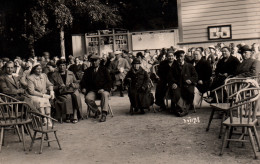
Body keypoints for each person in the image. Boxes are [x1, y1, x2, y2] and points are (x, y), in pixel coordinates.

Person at [81, 55, 112, 122]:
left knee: (105, 94)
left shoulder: (104, 69)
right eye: (93, 61)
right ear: (91, 62)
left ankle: (104, 114)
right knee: (88, 98)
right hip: (93, 90)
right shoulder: (88, 71)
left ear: (99, 61)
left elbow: (109, 82)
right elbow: (83, 81)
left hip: (103, 89)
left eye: (96, 61)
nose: (94, 62)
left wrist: (104, 89)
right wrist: (83, 88)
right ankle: (96, 111)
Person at [168, 50, 198, 116]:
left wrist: (191, 80)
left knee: (189, 92)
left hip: (187, 85)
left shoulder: (189, 65)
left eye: (181, 56)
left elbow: (195, 76)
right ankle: (183, 109)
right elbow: (170, 77)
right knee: (176, 92)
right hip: (178, 85)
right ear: (176, 58)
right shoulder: (173, 67)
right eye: (178, 57)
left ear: (184, 56)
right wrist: (173, 83)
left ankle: (183, 108)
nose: (180, 58)